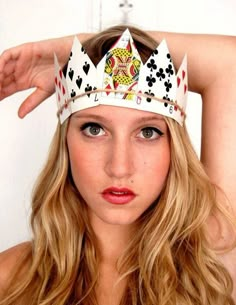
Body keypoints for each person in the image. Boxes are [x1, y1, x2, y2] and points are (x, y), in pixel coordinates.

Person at [0, 24, 236, 305]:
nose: (120, 167)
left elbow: (229, 62)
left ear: (174, 147)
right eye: (94, 129)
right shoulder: (12, 279)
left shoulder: (208, 259)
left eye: (148, 132)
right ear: (66, 143)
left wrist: (75, 49)